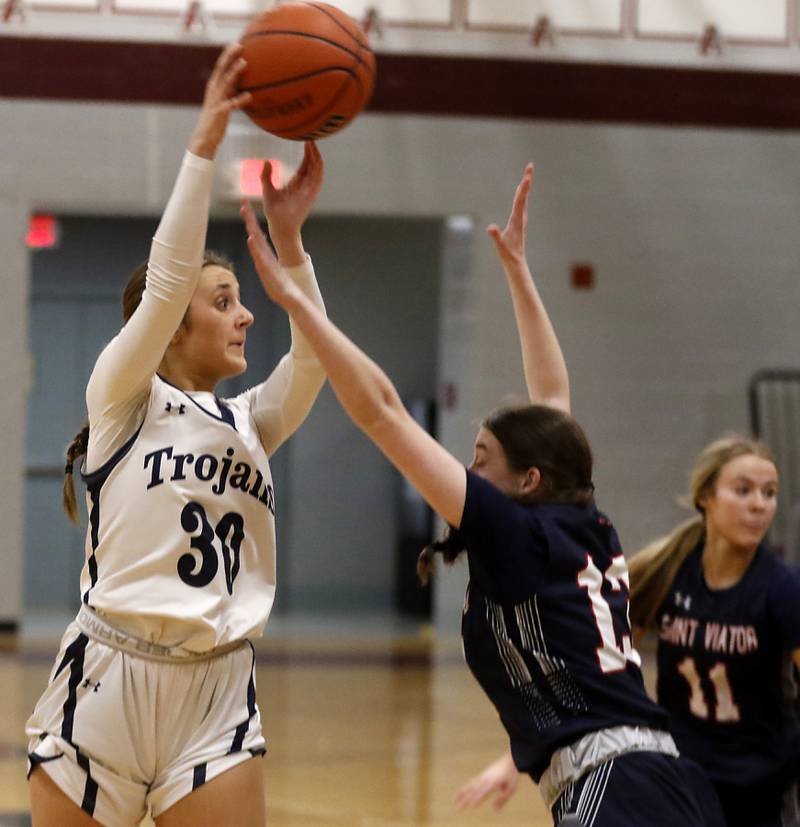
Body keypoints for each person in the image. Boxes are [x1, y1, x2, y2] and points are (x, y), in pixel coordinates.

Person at [241, 162, 720, 826]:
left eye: (480, 460)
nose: (465, 471)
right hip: (660, 778)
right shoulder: (578, 517)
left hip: (618, 789)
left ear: (527, 481)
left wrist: (295, 297)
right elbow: (553, 401)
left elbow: (382, 410)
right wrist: (519, 271)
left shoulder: (519, 532)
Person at [26, 44, 327, 827]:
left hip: (217, 689)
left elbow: (316, 357)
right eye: (224, 300)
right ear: (170, 329)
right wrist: (204, 148)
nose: (245, 314)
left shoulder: (250, 419)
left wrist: (292, 246)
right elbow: (164, 285)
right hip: (107, 683)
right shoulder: (122, 397)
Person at [626, 436, 800, 827]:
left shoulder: (782, 589)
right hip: (682, 776)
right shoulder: (667, 573)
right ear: (705, 496)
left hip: (763, 782)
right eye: (743, 490)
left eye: (769, 493)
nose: (759, 504)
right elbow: (607, 666)